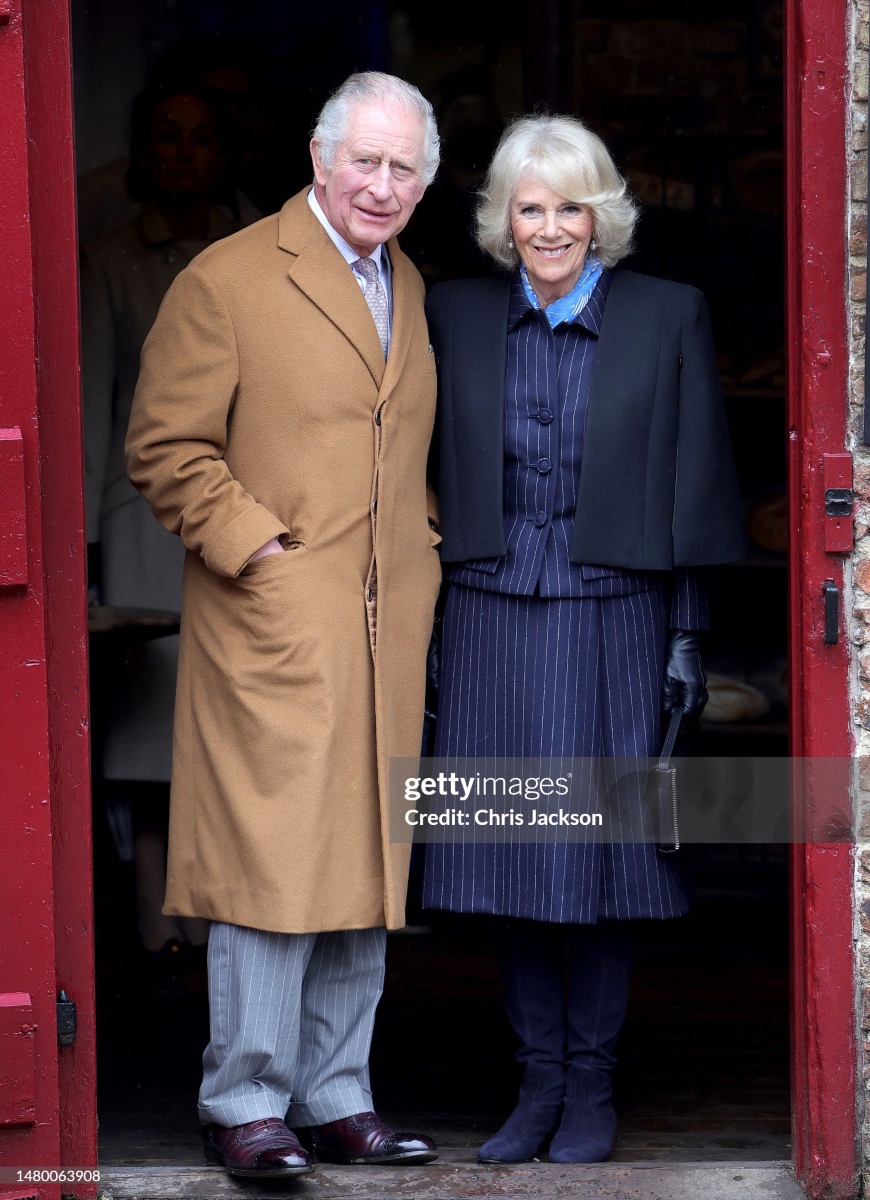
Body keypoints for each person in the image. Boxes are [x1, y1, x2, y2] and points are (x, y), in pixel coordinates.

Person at [125, 72, 443, 1179]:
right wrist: (258, 550)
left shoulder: (402, 278)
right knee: (268, 862)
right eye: (366, 160)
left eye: (405, 168)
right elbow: (165, 448)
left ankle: (336, 1092)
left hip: (382, 626)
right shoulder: (228, 278)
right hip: (272, 621)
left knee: (362, 855)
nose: (383, 184)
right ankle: (244, 1099)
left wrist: (425, 545)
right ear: (319, 158)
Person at [421, 115, 746, 1165]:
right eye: (530, 207)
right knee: (509, 854)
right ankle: (536, 1086)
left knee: (601, 861)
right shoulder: (449, 315)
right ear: (500, 220)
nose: (550, 227)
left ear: (602, 217)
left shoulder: (666, 315)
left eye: (570, 207)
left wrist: (687, 636)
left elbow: (693, 483)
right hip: (482, 610)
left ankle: (593, 1090)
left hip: (615, 613)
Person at [82, 79, 242, 967]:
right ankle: (155, 918)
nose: (185, 153)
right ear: (144, 153)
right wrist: (82, 549)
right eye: (168, 138)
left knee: (225, 725)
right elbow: (91, 408)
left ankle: (217, 917)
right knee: (150, 733)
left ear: (224, 152)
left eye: (203, 137)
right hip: (141, 518)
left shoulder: (259, 251)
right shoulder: (106, 260)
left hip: (241, 513)